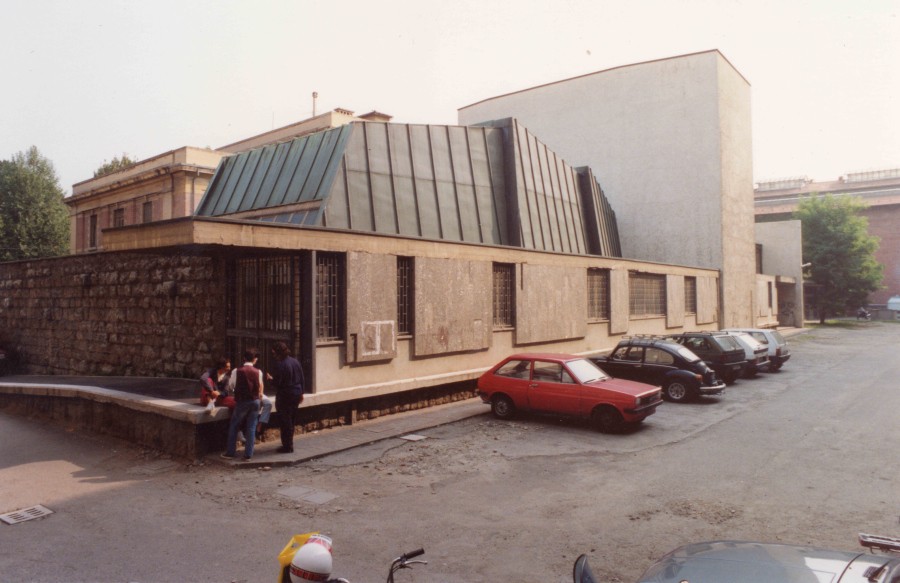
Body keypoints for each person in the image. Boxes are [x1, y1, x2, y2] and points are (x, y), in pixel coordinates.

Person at [221, 348, 264, 461]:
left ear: (244, 358)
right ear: (254, 359)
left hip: (242, 401)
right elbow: (260, 386)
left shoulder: (236, 371)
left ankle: (230, 452)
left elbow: (231, 386)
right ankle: (248, 454)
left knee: (234, 425)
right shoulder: (258, 372)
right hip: (255, 401)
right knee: (251, 427)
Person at [267, 341, 305, 454]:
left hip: (285, 395)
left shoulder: (281, 364)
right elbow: (302, 378)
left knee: (285, 421)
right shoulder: (295, 361)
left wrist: (270, 379)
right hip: (296, 393)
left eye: (274, 352)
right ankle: (289, 444)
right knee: (291, 420)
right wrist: (302, 392)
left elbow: (278, 383)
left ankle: (287, 446)